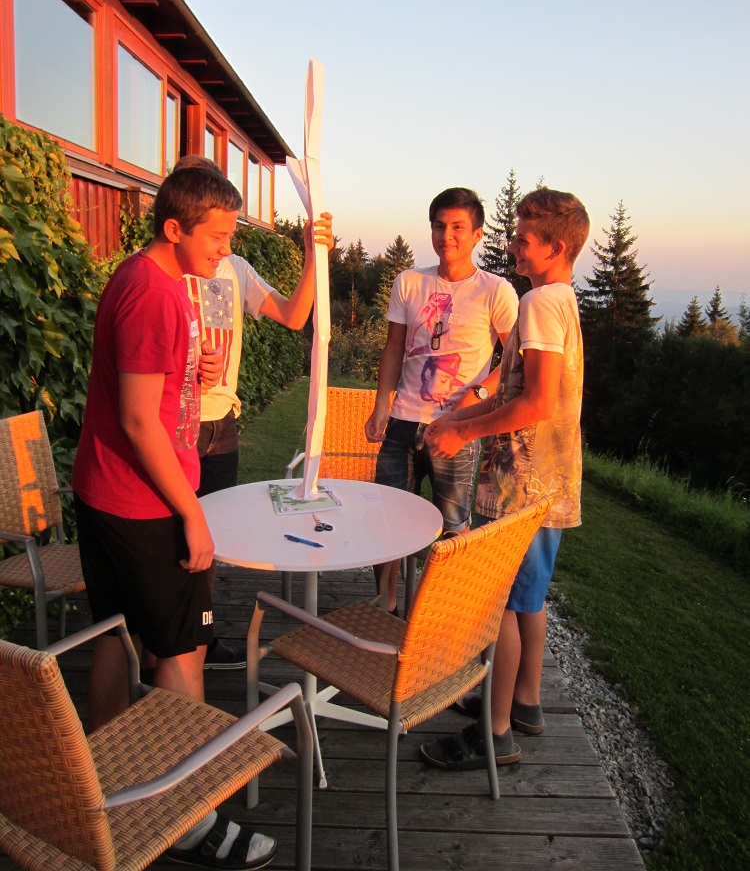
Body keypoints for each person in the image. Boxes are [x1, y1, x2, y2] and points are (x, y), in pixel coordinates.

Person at [72, 165, 278, 870]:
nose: (226, 250)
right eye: (218, 237)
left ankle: (100, 786)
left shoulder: (145, 276)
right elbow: (138, 420)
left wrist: (193, 378)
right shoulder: (155, 294)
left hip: (108, 493)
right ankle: (189, 819)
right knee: (183, 654)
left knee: (117, 632)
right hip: (144, 505)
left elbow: (147, 393)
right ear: (174, 228)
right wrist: (191, 514)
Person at [419, 187, 590, 770]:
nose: (512, 246)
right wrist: (457, 419)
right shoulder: (562, 299)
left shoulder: (538, 302)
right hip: (552, 483)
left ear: (556, 247)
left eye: (523, 239)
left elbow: (536, 402)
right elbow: (519, 389)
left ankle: (494, 735)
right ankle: (525, 703)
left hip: (520, 483)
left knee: (500, 607)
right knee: (529, 599)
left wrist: (464, 433)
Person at [173, 155, 334, 670]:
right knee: (173, 539)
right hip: (174, 425)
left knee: (210, 537)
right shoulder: (161, 269)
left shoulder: (235, 269)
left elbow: (294, 315)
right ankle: (167, 643)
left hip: (220, 424)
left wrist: (312, 256)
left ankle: (200, 636)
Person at [364, 187, 519, 611]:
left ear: (477, 234)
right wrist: (381, 407)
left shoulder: (496, 290)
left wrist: (478, 393)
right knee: (387, 518)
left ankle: (440, 615)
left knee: (453, 528)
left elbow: (515, 359)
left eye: (457, 227)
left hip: (455, 429)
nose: (446, 236)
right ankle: (386, 605)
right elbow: (393, 348)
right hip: (402, 421)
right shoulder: (410, 282)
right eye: (438, 226)